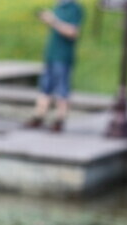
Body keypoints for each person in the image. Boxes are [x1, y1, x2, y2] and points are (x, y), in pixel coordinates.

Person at [26, 0, 85, 133]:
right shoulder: (58, 6)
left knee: (62, 87)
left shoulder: (74, 8)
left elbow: (72, 32)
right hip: (51, 55)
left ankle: (60, 120)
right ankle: (39, 116)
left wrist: (53, 20)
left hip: (63, 56)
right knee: (45, 86)